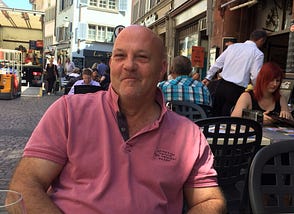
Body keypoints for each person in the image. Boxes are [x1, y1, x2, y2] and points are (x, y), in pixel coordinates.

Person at [8, 25, 226, 213]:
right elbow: (22, 188)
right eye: (120, 56)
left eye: (141, 57)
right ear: (111, 64)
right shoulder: (69, 112)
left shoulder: (188, 136)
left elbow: (210, 200)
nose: (129, 65)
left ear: (162, 69)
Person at [202, 29, 267, 116]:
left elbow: (218, 63)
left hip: (221, 85)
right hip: (236, 90)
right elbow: (255, 76)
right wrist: (257, 89)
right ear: (261, 40)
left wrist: (208, 77)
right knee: (229, 118)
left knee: (215, 116)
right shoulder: (258, 53)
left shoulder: (233, 47)